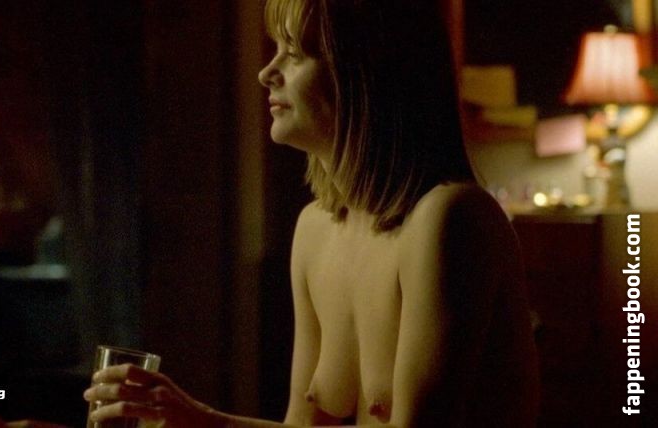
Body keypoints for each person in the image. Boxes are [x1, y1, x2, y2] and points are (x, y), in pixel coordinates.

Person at [83, 0, 539, 426]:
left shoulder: (450, 218)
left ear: (366, 71)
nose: (266, 72)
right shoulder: (315, 229)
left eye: (296, 52)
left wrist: (207, 421)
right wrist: (192, 419)